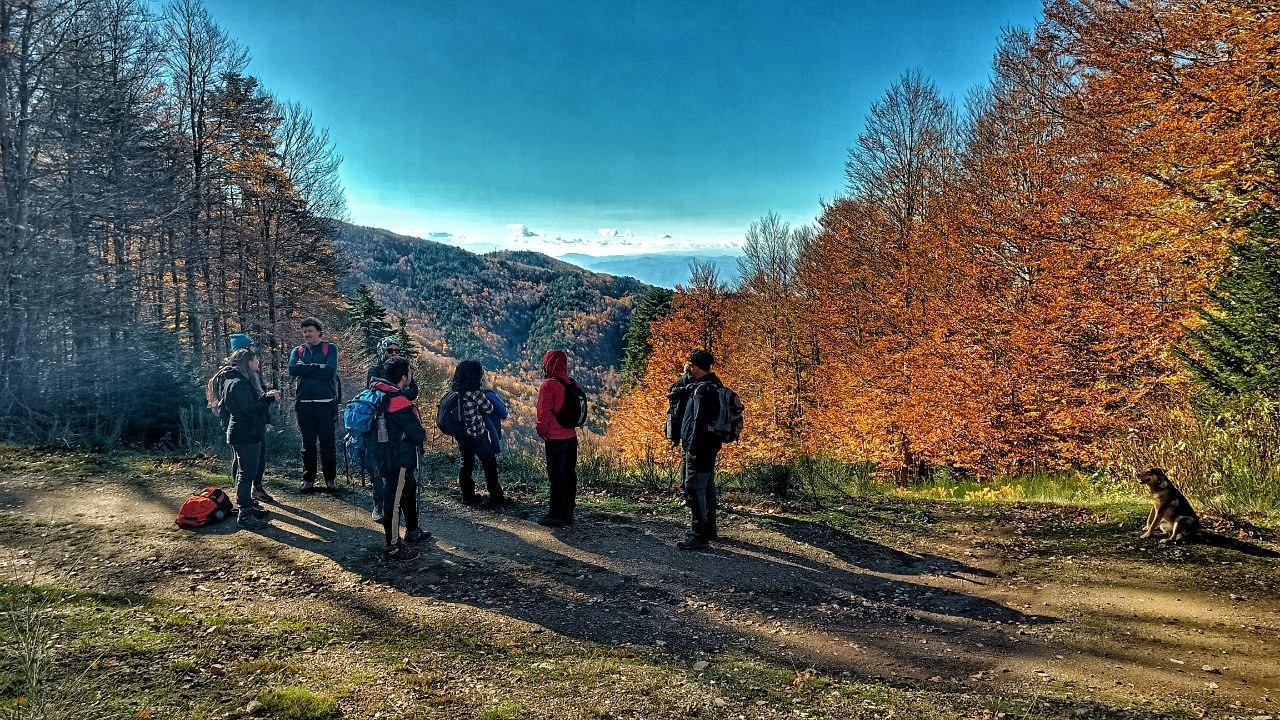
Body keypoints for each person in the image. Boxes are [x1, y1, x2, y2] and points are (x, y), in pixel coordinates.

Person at [370, 356, 429, 560]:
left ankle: (412, 531)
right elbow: (417, 433)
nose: (411, 376)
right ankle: (393, 545)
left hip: (382, 454)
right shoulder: (398, 401)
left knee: (405, 492)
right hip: (399, 457)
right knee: (393, 499)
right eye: (410, 373)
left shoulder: (378, 394)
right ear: (404, 377)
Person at [667, 350, 723, 550]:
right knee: (706, 486)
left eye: (689, 365)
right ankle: (709, 529)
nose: (687, 368)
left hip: (698, 446)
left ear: (696, 367)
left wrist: (691, 448)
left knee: (693, 487)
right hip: (708, 446)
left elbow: (698, 424)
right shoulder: (713, 385)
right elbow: (674, 389)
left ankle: (699, 535)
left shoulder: (702, 391)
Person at [209, 334, 275, 504]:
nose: (250, 351)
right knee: (243, 459)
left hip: (246, 422)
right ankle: (244, 497)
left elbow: (261, 394)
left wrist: (266, 419)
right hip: (241, 423)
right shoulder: (232, 375)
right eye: (247, 348)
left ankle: (252, 490)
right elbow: (253, 403)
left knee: (254, 456)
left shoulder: (247, 372)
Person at [221, 348, 281, 527]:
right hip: (246, 433)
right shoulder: (238, 383)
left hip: (244, 432)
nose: (258, 364)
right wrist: (269, 398)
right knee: (246, 474)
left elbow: (247, 406)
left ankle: (246, 506)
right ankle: (245, 515)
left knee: (245, 472)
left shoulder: (234, 380)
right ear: (248, 362)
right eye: (255, 360)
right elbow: (250, 410)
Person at [365, 336, 418, 522]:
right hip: (379, 427)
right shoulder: (375, 370)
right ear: (382, 351)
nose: (394, 354)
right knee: (379, 469)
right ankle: (379, 505)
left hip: (400, 427)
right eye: (390, 351)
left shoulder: (403, 368)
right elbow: (374, 392)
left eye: (397, 351)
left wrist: (393, 391)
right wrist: (400, 392)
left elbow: (414, 391)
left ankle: (400, 508)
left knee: (402, 473)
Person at [289, 317, 340, 493]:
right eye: (304, 332)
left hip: (326, 404)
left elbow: (330, 372)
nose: (306, 334)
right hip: (303, 404)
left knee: (328, 444)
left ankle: (330, 480)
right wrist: (318, 366)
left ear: (318, 331)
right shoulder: (298, 350)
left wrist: (306, 368)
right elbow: (292, 370)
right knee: (307, 444)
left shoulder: (330, 348)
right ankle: (308, 479)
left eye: (309, 331)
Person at [536, 350, 582, 527]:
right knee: (570, 475)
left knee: (556, 478)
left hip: (555, 439)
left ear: (548, 364)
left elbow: (543, 413)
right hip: (571, 438)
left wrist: (542, 432)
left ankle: (554, 515)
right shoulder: (572, 383)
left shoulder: (548, 385)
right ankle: (568, 513)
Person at [451, 360, 505, 508]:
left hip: (462, 434)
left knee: (466, 462)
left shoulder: (456, 390)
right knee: (489, 463)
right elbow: (489, 408)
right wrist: (487, 391)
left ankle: (467, 495)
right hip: (477, 433)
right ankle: (495, 497)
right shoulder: (475, 393)